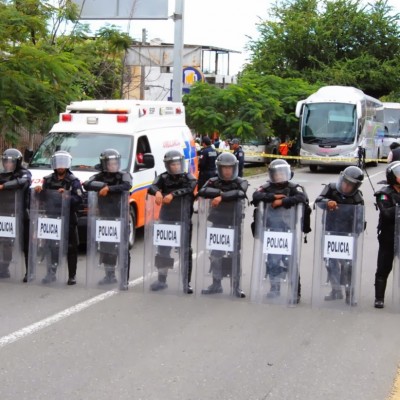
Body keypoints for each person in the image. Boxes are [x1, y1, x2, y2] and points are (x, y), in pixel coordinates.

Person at [252, 159, 309, 303]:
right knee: (272, 261)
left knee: (290, 261)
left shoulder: (294, 187)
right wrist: (272, 197)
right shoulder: (266, 187)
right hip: (270, 230)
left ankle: (296, 292)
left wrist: (283, 202)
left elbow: (303, 198)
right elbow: (255, 196)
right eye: (276, 174)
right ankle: (274, 288)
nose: (279, 176)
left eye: (282, 173)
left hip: (288, 230)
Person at [197, 152, 248, 298]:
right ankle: (216, 283)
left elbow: (240, 192)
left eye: (229, 168)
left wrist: (221, 197)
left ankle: (236, 286)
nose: (227, 171)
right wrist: (221, 192)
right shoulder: (213, 181)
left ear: (234, 168)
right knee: (215, 255)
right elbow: (202, 191)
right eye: (224, 167)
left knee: (234, 255)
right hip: (218, 222)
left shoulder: (240, 181)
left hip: (234, 223)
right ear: (219, 168)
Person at [147, 150, 197, 293]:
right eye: (172, 164)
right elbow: (152, 186)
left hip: (183, 219)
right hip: (166, 218)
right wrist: (156, 192)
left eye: (177, 164)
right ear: (168, 165)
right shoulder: (163, 177)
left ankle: (186, 283)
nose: (175, 167)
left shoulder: (189, 177)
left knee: (185, 251)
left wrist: (172, 195)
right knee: (163, 250)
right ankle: (162, 280)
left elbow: (190, 188)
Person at [315, 166, 364, 305]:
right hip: (330, 232)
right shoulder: (331, 188)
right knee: (330, 263)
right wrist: (327, 202)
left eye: (350, 185)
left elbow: (360, 219)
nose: (346, 186)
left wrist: (356, 233)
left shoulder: (357, 197)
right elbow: (318, 201)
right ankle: (335, 290)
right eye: (345, 182)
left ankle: (349, 293)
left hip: (347, 234)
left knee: (347, 265)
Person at [83, 149, 131, 289]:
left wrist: (109, 189)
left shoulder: (124, 175)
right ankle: (109, 275)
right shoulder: (99, 176)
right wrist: (102, 186)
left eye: (115, 163)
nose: (113, 165)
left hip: (120, 217)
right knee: (106, 248)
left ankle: (124, 279)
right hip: (104, 218)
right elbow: (87, 184)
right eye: (110, 163)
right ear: (104, 164)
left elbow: (127, 185)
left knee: (122, 248)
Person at [34, 151, 82, 285]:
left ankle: (72, 275)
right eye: (58, 163)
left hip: (68, 218)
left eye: (63, 163)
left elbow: (79, 199)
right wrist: (38, 192)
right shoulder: (48, 180)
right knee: (51, 247)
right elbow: (43, 198)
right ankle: (51, 273)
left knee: (71, 247)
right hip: (52, 218)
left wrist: (67, 196)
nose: (61, 166)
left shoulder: (73, 181)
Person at [0, 149, 31, 280]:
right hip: (4, 213)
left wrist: (3, 186)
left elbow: (22, 182)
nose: (8, 164)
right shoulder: (1, 174)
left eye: (11, 162)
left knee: (25, 243)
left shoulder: (24, 173)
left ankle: (30, 271)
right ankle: (4, 268)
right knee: (5, 243)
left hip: (20, 213)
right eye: (6, 162)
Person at [373, 161, 400, 308]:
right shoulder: (384, 194)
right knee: (384, 267)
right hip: (388, 236)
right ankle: (379, 298)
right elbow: (387, 214)